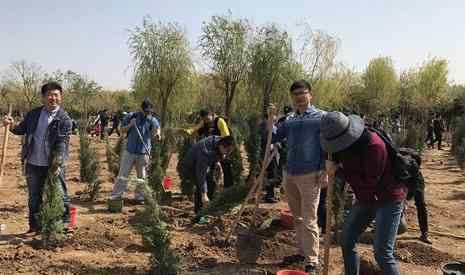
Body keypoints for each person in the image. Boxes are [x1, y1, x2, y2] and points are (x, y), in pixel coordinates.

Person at [321, 111, 407, 275]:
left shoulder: (374, 145)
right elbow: (329, 156)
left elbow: (369, 182)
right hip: (366, 198)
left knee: (382, 253)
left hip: (388, 198)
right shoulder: (336, 144)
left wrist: (338, 171)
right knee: (346, 240)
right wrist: (327, 165)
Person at [270, 80, 327, 274]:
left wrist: (326, 171)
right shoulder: (290, 120)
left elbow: (329, 146)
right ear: (292, 98)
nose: (299, 97)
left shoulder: (321, 118)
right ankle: (302, 252)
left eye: (303, 93)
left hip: (311, 174)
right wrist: (270, 120)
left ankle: (312, 260)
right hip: (290, 173)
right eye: (295, 95)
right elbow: (275, 136)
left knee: (310, 218)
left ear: (311, 95)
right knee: (297, 217)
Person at [3, 82, 72, 233]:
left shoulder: (64, 119)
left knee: (60, 194)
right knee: (34, 197)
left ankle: (65, 224)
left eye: (56, 95)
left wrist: (57, 163)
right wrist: (11, 125)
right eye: (49, 95)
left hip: (53, 164)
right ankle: (35, 225)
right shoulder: (34, 114)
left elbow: (62, 143)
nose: (52, 98)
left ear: (61, 97)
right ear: (43, 97)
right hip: (33, 163)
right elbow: (21, 129)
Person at [109, 99, 161, 203]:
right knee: (123, 174)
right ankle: (116, 196)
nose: (147, 113)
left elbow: (158, 127)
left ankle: (140, 197)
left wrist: (158, 134)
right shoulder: (131, 116)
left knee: (141, 176)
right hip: (130, 151)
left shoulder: (151, 119)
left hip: (143, 152)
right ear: (141, 108)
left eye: (149, 111)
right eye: (146, 111)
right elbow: (121, 130)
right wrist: (130, 125)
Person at [181, 135, 235, 224]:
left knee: (211, 183)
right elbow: (201, 175)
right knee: (200, 188)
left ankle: (206, 209)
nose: (227, 154)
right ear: (221, 146)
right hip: (192, 167)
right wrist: (204, 194)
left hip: (206, 164)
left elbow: (220, 154)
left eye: (230, 151)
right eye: (227, 151)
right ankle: (199, 216)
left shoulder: (219, 141)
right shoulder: (205, 151)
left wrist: (218, 159)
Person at [196, 110, 234, 190]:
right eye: (204, 119)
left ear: (212, 115)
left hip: (225, 148)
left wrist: (224, 153)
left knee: (226, 168)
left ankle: (228, 190)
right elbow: (196, 132)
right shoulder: (204, 124)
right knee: (209, 172)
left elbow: (226, 138)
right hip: (213, 151)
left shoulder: (220, 122)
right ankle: (210, 192)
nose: (206, 121)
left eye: (207, 118)